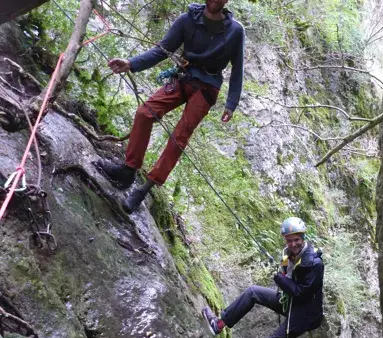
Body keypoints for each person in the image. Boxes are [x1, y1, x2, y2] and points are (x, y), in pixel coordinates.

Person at [95, 0, 245, 213]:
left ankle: (144, 189)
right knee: (145, 113)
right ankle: (128, 170)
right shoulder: (187, 20)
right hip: (184, 76)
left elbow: (238, 68)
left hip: (207, 88)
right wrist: (131, 63)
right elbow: (162, 50)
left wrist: (231, 103)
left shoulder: (235, 31)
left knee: (179, 137)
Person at [202, 217, 324, 337]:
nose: (293, 244)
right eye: (289, 240)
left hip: (305, 314)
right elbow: (288, 275)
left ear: (303, 238)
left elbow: (301, 293)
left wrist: (280, 279)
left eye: (296, 240)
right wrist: (281, 273)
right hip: (290, 302)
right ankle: (218, 325)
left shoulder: (315, 263)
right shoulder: (288, 254)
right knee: (253, 292)